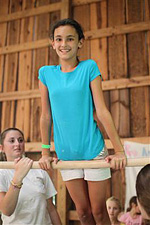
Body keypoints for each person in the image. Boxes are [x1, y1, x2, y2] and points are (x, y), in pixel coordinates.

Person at [38, 18, 126, 225]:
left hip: (93, 150)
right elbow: (46, 115)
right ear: (52, 43)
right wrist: (44, 152)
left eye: (70, 38)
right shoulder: (45, 73)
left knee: (98, 212)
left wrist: (119, 149)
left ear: (80, 42)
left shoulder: (89, 68)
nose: (64, 44)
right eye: (58, 39)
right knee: (83, 212)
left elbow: (103, 111)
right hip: (66, 154)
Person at [0, 128, 62, 225]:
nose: (17, 144)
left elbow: (51, 209)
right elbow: (6, 211)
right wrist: (18, 177)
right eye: (12, 141)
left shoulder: (38, 169)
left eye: (20, 140)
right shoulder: (1, 173)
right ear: (1, 148)